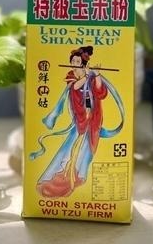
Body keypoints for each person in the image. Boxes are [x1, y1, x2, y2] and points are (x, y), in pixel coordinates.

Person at [30, 46, 124, 198]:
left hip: (93, 119)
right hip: (80, 119)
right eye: (73, 61)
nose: (74, 64)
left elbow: (101, 93)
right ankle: (58, 175)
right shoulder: (72, 76)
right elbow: (74, 87)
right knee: (69, 147)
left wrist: (97, 75)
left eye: (77, 61)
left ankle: (77, 176)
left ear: (83, 63)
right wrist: (87, 76)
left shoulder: (91, 77)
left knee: (86, 150)